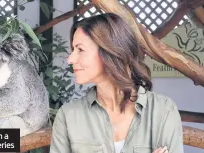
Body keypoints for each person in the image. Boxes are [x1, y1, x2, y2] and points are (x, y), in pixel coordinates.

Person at [49, 13, 183, 153]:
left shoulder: (163, 111)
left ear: (110, 51)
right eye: (73, 49)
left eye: (80, 49)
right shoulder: (68, 115)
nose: (70, 59)